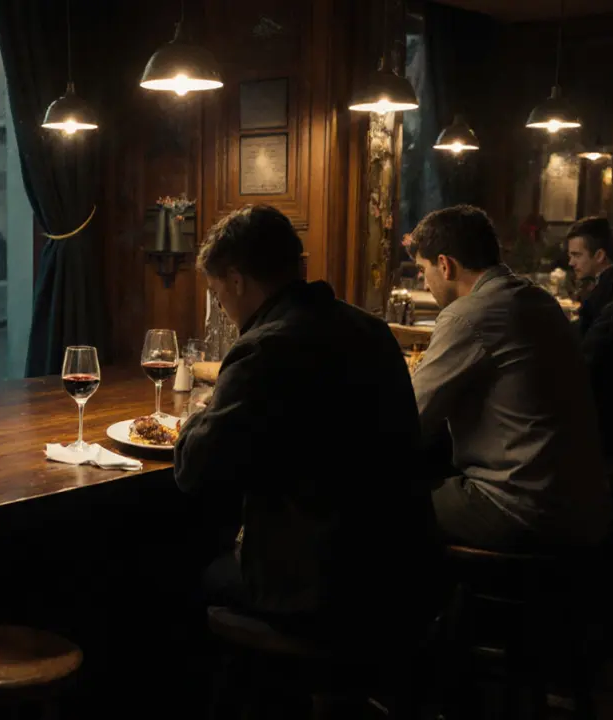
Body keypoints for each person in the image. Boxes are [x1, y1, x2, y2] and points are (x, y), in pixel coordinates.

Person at [174, 205, 438, 641]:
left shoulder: (264, 347)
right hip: (403, 575)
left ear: (237, 280)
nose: (223, 308)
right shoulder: (370, 330)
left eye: (218, 296)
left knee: (177, 568)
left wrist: (197, 415)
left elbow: (193, 470)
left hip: (322, 591)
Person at [410, 205, 611, 550]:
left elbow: (410, 416)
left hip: (523, 509)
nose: (424, 283)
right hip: (585, 507)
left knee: (378, 500)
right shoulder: (539, 300)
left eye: (422, 270)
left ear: (444, 265)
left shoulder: (468, 315)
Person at [566, 216, 613, 337]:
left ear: (599, 256)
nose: (571, 263)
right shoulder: (602, 284)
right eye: (570, 256)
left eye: (577, 255)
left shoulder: (608, 291)